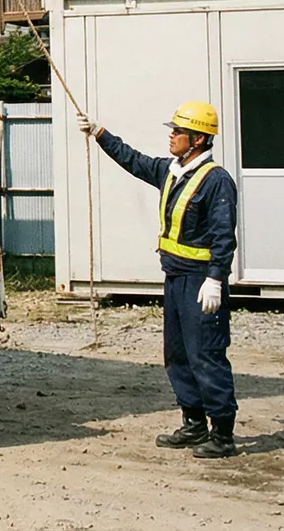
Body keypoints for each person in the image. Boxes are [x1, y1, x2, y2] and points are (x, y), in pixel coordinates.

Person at [76, 101, 239, 459]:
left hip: (199, 281)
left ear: (196, 139)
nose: (172, 135)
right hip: (175, 276)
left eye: (178, 131)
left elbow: (224, 236)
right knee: (177, 354)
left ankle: (222, 434)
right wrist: (99, 133)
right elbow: (134, 161)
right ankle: (194, 422)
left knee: (206, 354)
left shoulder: (216, 181)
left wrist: (215, 279)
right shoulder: (172, 171)